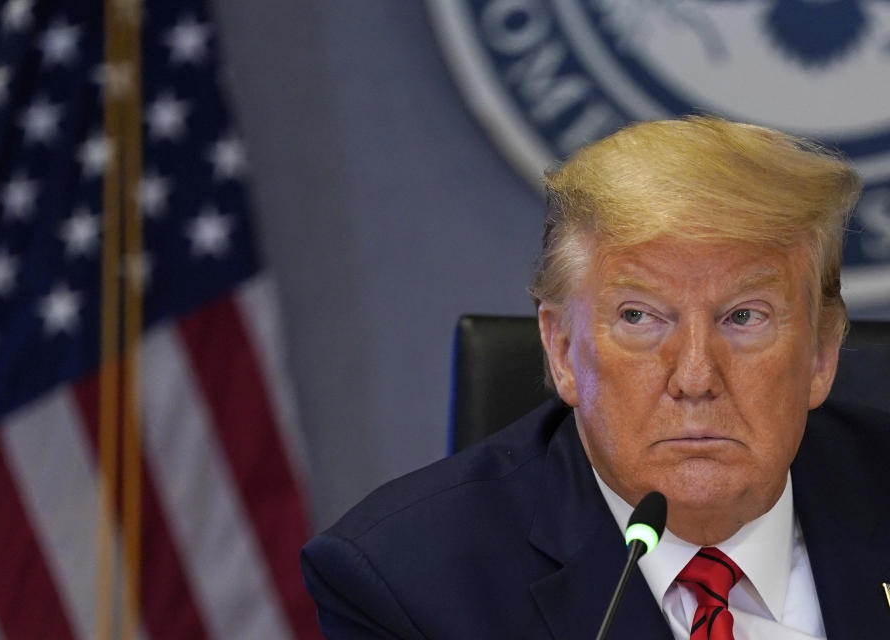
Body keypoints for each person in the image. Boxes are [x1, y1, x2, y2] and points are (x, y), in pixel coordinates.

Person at [300, 116, 890, 639]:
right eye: (639, 317)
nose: (694, 377)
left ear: (820, 355)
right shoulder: (410, 585)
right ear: (561, 351)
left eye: (743, 317)